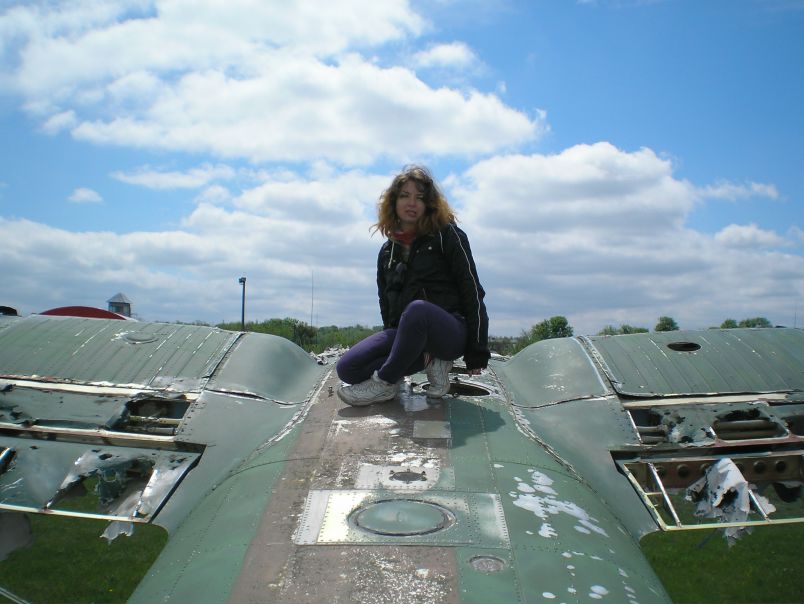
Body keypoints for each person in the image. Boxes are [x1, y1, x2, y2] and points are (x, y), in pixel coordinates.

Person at [336, 165, 490, 406]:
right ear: (394, 202)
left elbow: (472, 292)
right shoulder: (387, 251)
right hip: (410, 335)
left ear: (429, 203)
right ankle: (424, 361)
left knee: (418, 310)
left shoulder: (448, 236)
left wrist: (477, 351)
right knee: (348, 368)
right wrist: (395, 351)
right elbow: (386, 303)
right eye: (405, 196)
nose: (412, 203)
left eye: (420, 197)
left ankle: (384, 383)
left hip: (450, 330)